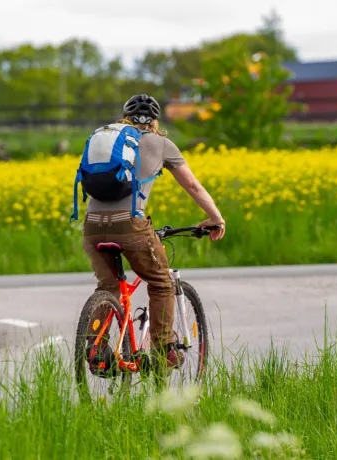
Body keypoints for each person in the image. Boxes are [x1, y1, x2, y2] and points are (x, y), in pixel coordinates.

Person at [81, 94, 225, 369]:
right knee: (161, 283)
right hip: (131, 225)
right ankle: (163, 351)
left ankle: (95, 347)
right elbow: (193, 186)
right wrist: (215, 217)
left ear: (126, 118)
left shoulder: (106, 140)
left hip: (92, 226)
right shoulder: (161, 144)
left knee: (108, 286)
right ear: (156, 121)